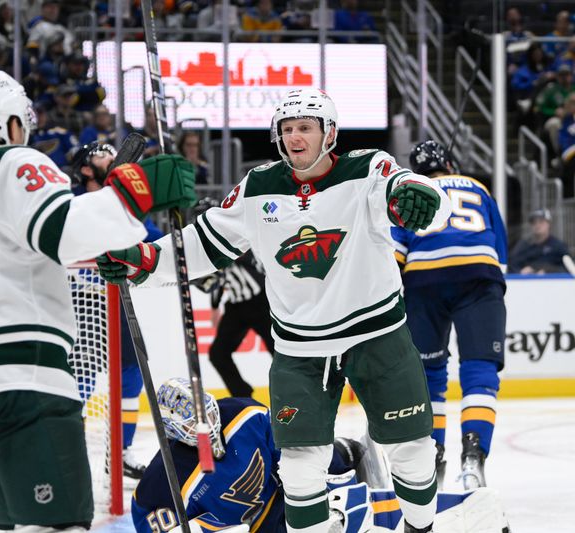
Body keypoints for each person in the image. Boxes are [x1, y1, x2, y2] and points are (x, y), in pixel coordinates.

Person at [98, 88, 452, 533]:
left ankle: (421, 529)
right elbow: (204, 243)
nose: (294, 137)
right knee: (301, 470)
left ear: (330, 133)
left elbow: (409, 190)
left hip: (376, 334)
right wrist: (144, 259)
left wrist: (422, 199)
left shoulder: (368, 168)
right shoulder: (258, 186)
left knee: (413, 451)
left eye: (305, 127)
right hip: (300, 349)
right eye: (286, 129)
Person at [0, 69, 196, 532]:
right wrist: (136, 189)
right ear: (7, 123)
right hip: (18, 377)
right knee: (57, 525)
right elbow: (66, 233)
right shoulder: (18, 164)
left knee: (19, 525)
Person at [393, 140, 508, 492]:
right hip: (479, 276)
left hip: (424, 279)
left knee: (429, 376)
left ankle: (433, 457)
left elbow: (394, 255)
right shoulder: (479, 187)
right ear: (450, 163)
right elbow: (500, 253)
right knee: (480, 370)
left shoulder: (405, 194)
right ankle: (473, 458)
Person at [131, 378, 366, 533]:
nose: (207, 424)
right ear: (175, 432)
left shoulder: (243, 413)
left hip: (281, 498)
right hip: (244, 527)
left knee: (338, 461)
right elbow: (147, 519)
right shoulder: (164, 477)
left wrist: (335, 463)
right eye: (193, 424)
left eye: (207, 414)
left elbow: (289, 446)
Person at [70, 140, 163, 479]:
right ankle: (70, 453)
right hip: (82, 302)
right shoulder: (74, 203)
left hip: (118, 299)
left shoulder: (126, 208)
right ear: (84, 169)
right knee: (80, 379)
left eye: (112, 153)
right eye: (101, 154)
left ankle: (120, 451)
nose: (110, 156)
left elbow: (154, 243)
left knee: (132, 374)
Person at [192, 197, 274, 398]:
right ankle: (244, 397)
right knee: (218, 354)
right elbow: (216, 281)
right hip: (236, 307)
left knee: (281, 353)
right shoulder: (210, 246)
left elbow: (237, 263)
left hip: (261, 302)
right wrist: (213, 303)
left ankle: (292, 394)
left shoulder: (238, 236)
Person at [509, 208, 571, 274]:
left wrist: (548, 271)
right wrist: (521, 272)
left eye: (541, 222)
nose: (537, 225)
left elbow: (569, 268)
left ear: (549, 224)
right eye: (534, 223)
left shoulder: (558, 246)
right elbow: (512, 265)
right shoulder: (523, 246)